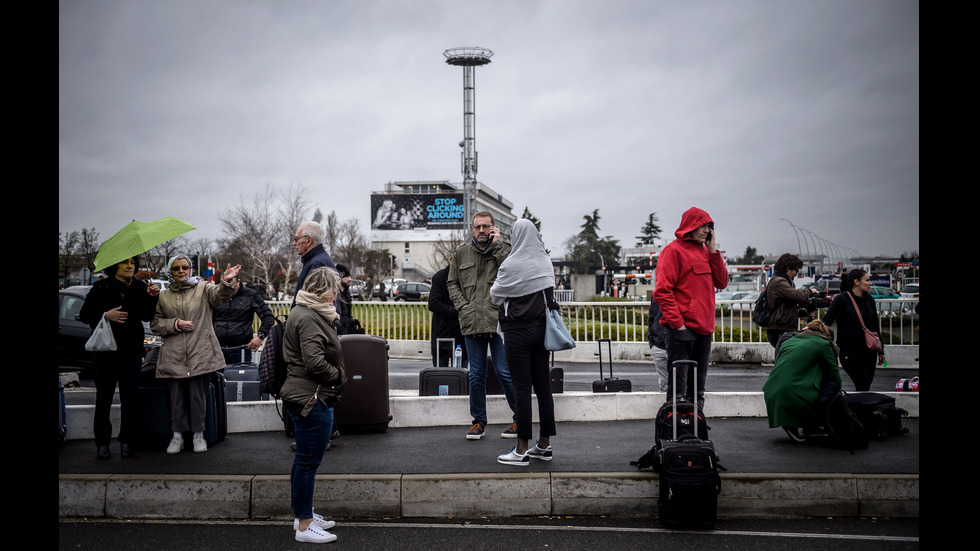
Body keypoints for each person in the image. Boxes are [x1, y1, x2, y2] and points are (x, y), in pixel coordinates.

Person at [279, 267, 346, 544]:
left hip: (306, 394)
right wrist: (340, 376)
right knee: (308, 462)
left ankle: (302, 514)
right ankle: (304, 526)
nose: (336, 296)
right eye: (334, 290)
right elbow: (314, 362)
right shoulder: (309, 317)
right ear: (324, 290)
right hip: (312, 398)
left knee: (303, 461)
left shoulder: (306, 310)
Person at [151, 255, 241, 454]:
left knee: (197, 397)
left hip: (199, 353)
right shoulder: (163, 295)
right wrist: (175, 324)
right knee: (176, 399)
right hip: (173, 355)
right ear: (171, 272)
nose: (181, 271)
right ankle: (177, 437)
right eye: (176, 268)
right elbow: (155, 323)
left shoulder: (203, 288)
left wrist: (225, 281)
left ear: (191, 269)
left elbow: (219, 296)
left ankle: (199, 435)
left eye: (185, 267)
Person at [490, 219, 558, 466]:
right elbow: (549, 295)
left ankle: (521, 451)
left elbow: (495, 297)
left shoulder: (511, 264)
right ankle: (544, 445)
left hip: (517, 333)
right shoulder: (545, 262)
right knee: (543, 389)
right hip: (542, 332)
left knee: (521, 390)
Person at [79, 256, 160, 459]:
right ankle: (102, 443)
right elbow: (85, 314)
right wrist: (105, 315)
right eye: (125, 262)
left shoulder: (141, 287)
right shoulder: (101, 287)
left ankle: (127, 442)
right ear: (114, 265)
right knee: (104, 398)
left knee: (130, 398)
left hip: (131, 351)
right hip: (105, 352)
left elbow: (147, 316)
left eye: (132, 262)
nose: (130, 266)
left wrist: (152, 297)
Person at [447, 210, 519, 440]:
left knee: (505, 372)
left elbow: (513, 273)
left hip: (499, 322)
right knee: (476, 375)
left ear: (494, 228)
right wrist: (462, 306)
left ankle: (520, 419)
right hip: (471, 321)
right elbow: (452, 283)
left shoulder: (505, 250)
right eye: (478, 227)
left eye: (486, 227)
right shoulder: (461, 254)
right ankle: (479, 422)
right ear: (472, 228)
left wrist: (497, 246)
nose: (482, 231)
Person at [653, 207, 728, 409]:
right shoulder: (673, 251)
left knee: (697, 389)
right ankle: (676, 431)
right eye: (703, 225)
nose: (707, 230)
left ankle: (695, 430)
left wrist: (713, 252)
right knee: (678, 389)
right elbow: (662, 291)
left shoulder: (706, 252)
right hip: (681, 330)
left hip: (704, 331)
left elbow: (721, 282)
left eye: (709, 227)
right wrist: (678, 324)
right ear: (691, 226)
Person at [762, 320, 842, 442]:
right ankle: (812, 425)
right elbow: (835, 377)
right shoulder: (824, 343)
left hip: (771, 390)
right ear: (828, 337)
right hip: (792, 393)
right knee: (831, 388)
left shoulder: (788, 341)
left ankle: (799, 426)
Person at [821, 268, 885, 391]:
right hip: (849, 351)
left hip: (869, 351)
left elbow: (875, 326)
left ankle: (859, 409)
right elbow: (826, 321)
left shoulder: (869, 300)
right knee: (863, 384)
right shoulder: (841, 299)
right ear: (857, 282)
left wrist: (881, 350)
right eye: (867, 280)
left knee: (865, 387)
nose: (870, 283)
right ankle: (858, 409)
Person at [211, 270, 275, 365]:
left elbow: (268, 317)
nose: (229, 286)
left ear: (238, 281)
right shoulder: (216, 295)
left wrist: (260, 337)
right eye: (226, 282)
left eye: (231, 282)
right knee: (216, 379)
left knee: (240, 379)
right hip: (217, 349)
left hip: (241, 349)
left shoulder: (250, 295)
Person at [765, 254, 818, 348]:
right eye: (796, 270)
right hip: (779, 329)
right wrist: (810, 291)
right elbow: (799, 296)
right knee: (785, 359)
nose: (797, 273)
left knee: (786, 358)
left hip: (783, 328)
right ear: (788, 268)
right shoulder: (779, 282)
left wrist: (804, 312)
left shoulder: (785, 281)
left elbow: (786, 307)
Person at [428, 258, 467, 368]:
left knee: (461, 373)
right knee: (441, 373)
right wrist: (458, 312)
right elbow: (433, 304)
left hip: (461, 332)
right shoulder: (440, 277)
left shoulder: (466, 277)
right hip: (442, 331)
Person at [292, 221, 336, 308]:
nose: (294, 243)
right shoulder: (318, 260)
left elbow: (310, 304)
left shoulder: (317, 264)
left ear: (308, 241)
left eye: (296, 239)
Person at [646, 299, 668, 393]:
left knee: (681, 383)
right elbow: (651, 318)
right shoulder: (656, 294)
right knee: (664, 385)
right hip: (658, 344)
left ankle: (678, 406)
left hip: (674, 345)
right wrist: (652, 343)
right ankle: (668, 407)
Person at [332, 264, 358, 335]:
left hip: (347, 333)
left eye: (349, 276)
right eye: (346, 277)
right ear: (338, 278)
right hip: (338, 334)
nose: (350, 279)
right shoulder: (334, 296)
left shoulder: (346, 294)